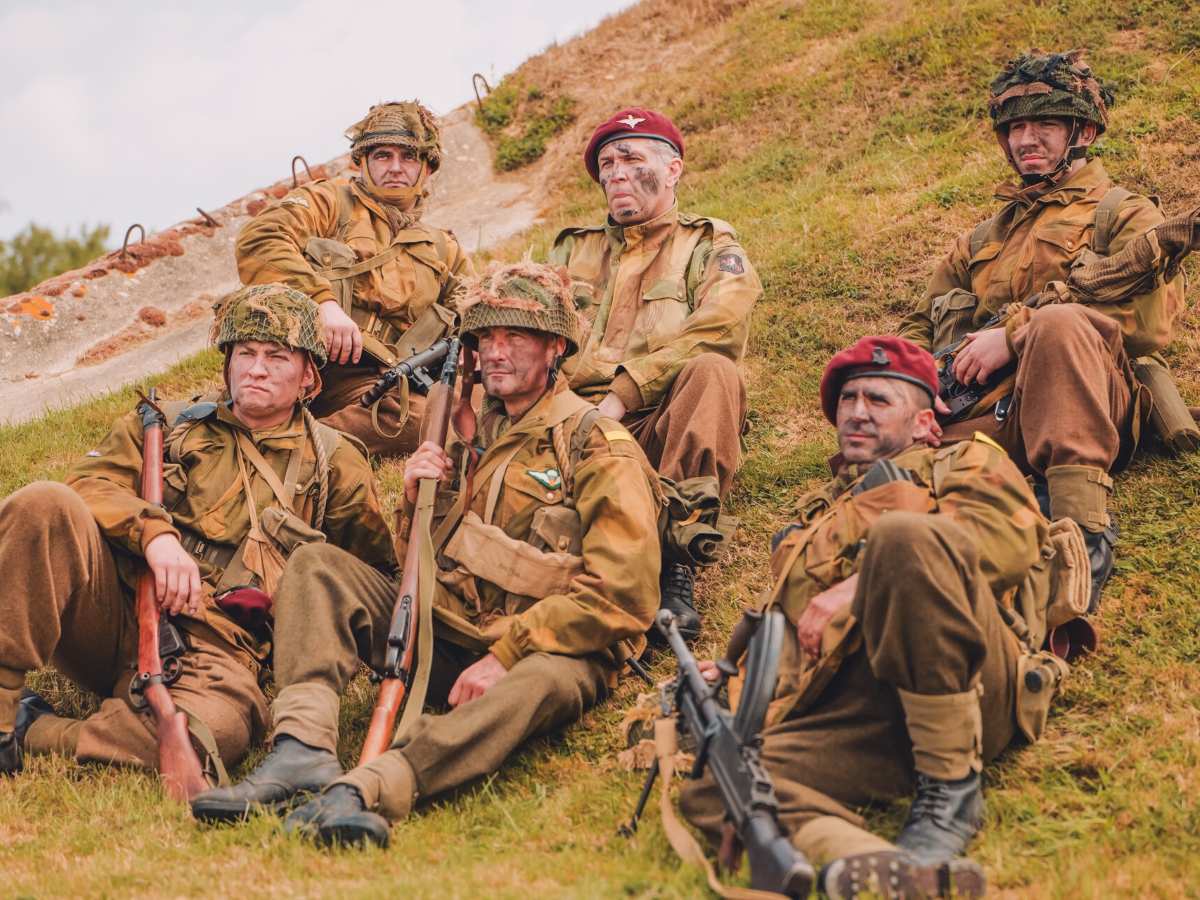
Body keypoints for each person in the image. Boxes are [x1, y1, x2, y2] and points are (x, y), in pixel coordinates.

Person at [191, 262, 662, 842]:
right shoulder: (474, 434)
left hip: (549, 649)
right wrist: (418, 501)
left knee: (540, 683)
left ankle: (378, 783)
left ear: (555, 348)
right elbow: (418, 565)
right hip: (447, 632)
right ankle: (302, 749)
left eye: (515, 336)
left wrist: (508, 654)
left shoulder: (594, 443)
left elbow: (624, 593)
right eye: (485, 338)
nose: (495, 351)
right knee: (316, 565)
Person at [679, 336, 1080, 899]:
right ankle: (878, 865)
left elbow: (1006, 541)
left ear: (924, 424)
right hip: (864, 716)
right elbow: (793, 630)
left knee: (904, 537)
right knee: (716, 782)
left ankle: (951, 787)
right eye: (847, 400)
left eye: (877, 399)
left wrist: (855, 589)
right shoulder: (818, 518)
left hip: (968, 684)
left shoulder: (966, 462)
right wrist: (734, 679)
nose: (857, 411)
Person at [0, 284, 393, 783]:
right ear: (227, 362)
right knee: (43, 503)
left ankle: (35, 729)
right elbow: (89, 485)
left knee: (216, 735)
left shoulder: (336, 461)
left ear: (309, 375)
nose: (256, 368)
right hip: (118, 606)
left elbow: (369, 575)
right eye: (245, 353)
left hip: (220, 648)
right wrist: (155, 537)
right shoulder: (164, 426)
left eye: (277, 356)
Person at [899, 50, 1186, 609]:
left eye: (1045, 124)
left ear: (1082, 131)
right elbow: (917, 322)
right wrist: (910, 382)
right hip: (984, 411)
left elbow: (1145, 327)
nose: (1027, 139)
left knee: (1057, 322)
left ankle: (1082, 529)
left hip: (1090, 399)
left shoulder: (1123, 216)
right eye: (1016, 127)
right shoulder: (983, 237)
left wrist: (1014, 335)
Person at [548, 107, 762, 639]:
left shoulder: (708, 243)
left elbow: (720, 327)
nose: (615, 173)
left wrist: (624, 393)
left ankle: (675, 560)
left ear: (672, 170)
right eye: (606, 164)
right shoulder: (572, 249)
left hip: (656, 423)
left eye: (631, 158)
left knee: (714, 372)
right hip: (570, 427)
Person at [237, 100, 474, 457]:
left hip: (387, 379)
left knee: (458, 410)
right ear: (361, 161)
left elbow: (473, 306)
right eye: (382, 155)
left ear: (427, 168)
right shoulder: (330, 201)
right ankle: (272, 443)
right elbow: (260, 240)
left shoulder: (442, 248)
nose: (396, 167)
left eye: (409, 157)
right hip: (309, 362)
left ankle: (301, 444)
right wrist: (323, 303)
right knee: (423, 420)